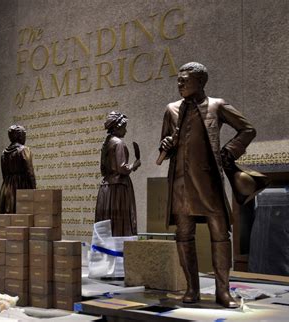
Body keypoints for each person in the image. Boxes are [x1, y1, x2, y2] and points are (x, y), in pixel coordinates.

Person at [159, 62, 256, 308]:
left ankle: (223, 291)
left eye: (185, 79)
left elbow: (247, 129)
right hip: (181, 183)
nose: (179, 83)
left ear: (200, 82)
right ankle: (192, 288)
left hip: (209, 181)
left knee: (220, 235)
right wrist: (166, 146)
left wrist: (228, 153)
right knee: (183, 235)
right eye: (178, 79)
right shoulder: (171, 109)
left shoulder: (217, 105)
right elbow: (164, 147)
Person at [95, 112, 141, 236]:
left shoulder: (106, 144)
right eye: (124, 127)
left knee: (107, 226)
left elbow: (102, 169)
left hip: (106, 189)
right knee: (119, 225)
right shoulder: (119, 143)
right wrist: (134, 165)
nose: (125, 131)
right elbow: (122, 169)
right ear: (117, 128)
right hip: (118, 190)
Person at [0, 125, 36, 213]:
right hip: (20, 185)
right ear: (19, 136)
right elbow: (30, 171)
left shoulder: (4, 152)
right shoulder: (24, 150)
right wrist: (34, 189)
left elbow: (4, 173)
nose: (25, 137)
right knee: (21, 215)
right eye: (24, 135)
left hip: (6, 187)